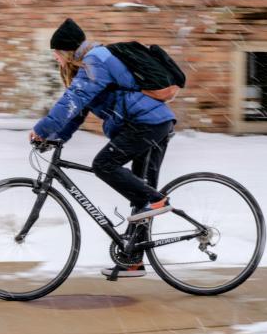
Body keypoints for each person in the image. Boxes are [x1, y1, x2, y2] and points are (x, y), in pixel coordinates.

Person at [29, 18, 177, 279]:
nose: (55, 59)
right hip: (147, 124)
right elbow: (79, 112)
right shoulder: (88, 64)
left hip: (147, 124)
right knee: (139, 192)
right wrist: (56, 138)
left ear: (66, 50)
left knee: (104, 165)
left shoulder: (96, 60)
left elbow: (73, 101)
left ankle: (157, 200)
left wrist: (42, 128)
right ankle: (133, 260)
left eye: (55, 53)